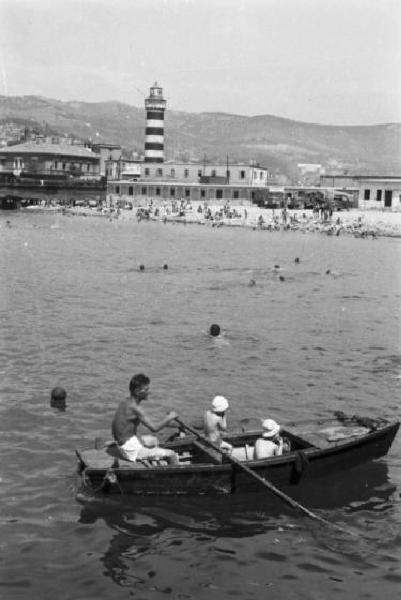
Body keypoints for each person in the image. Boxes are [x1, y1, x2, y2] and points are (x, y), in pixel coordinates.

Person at [111, 373, 179, 464]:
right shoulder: (136, 409)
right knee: (172, 454)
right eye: (146, 389)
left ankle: (155, 461)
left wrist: (169, 422)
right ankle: (174, 474)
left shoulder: (126, 402)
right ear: (137, 391)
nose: (148, 392)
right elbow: (154, 428)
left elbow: (145, 423)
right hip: (130, 450)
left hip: (125, 443)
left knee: (154, 440)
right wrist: (170, 417)